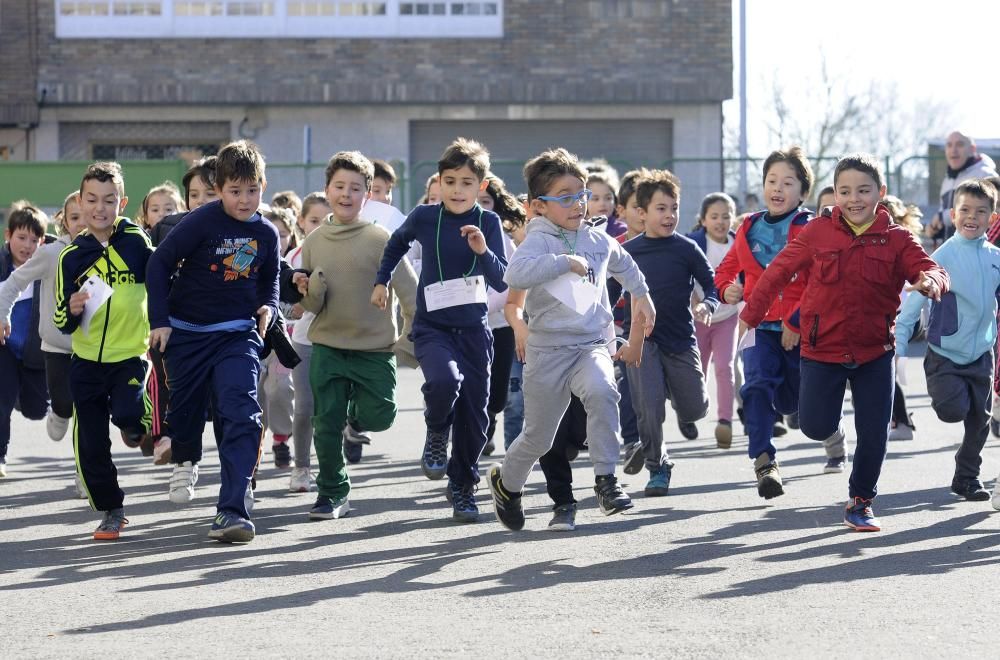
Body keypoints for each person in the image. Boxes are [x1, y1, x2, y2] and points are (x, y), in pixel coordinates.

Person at [741, 153, 948, 531]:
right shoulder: (817, 233)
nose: (854, 199)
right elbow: (777, 273)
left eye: (864, 190)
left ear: (880, 193)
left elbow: (930, 267)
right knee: (815, 426)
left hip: (875, 351)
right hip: (823, 350)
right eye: (845, 191)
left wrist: (931, 281)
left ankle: (860, 501)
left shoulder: (897, 239)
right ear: (834, 194)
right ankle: (831, 429)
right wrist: (749, 318)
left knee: (874, 431)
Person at [486, 147, 655, 531]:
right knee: (539, 437)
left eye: (581, 195)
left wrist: (642, 296)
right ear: (539, 206)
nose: (578, 204)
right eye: (566, 197)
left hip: (590, 344)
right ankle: (507, 484)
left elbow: (625, 264)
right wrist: (563, 262)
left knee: (602, 390)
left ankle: (606, 480)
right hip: (547, 353)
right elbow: (516, 275)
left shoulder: (596, 239)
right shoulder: (537, 241)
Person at [146, 140, 280, 544]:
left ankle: (232, 508)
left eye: (252, 190)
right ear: (219, 189)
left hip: (237, 335)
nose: (244, 200)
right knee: (185, 415)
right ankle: (185, 457)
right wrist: (161, 320)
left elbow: (270, 277)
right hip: (187, 334)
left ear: (263, 186)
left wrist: (269, 307)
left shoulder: (266, 232)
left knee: (242, 411)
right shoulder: (201, 222)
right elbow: (158, 263)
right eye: (235, 191)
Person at [375, 137, 507, 522]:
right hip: (432, 326)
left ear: (481, 186)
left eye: (467, 182)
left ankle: (463, 487)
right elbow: (394, 245)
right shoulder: (424, 217)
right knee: (444, 383)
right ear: (439, 182)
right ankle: (436, 432)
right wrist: (382, 281)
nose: (457, 189)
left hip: (474, 331)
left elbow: (502, 281)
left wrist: (483, 251)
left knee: (475, 416)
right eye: (450, 181)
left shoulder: (489, 222)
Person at [298, 150, 417, 519]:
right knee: (325, 423)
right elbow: (309, 304)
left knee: (381, 415)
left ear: (368, 195)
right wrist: (307, 289)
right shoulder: (314, 241)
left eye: (355, 188)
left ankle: (356, 419)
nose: (346, 194)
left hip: (375, 349)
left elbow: (411, 293)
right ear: (327, 189)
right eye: (339, 186)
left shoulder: (382, 239)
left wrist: (408, 341)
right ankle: (332, 493)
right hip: (328, 346)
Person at [54, 162, 154, 540]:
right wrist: (73, 309)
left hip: (128, 355)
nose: (100, 208)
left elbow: (160, 279)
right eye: (92, 200)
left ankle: (138, 423)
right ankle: (112, 509)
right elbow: (61, 317)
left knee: (128, 413)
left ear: (122, 202)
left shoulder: (136, 243)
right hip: (85, 363)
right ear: (79, 203)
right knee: (90, 442)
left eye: (109, 200)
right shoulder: (71, 257)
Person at [714, 147, 817, 499]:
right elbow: (727, 269)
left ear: (803, 192)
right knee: (756, 386)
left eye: (788, 182)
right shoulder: (749, 226)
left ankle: (803, 416)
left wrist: (797, 320)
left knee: (793, 402)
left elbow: (820, 282)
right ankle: (764, 461)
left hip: (798, 331)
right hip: (758, 328)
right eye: (772, 180)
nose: (778, 188)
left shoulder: (811, 228)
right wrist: (728, 288)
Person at [895, 180, 999, 503]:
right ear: (954, 214)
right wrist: (899, 342)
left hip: (983, 353)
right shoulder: (943, 256)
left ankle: (967, 477)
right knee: (953, 410)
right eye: (966, 210)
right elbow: (914, 303)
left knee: (980, 423)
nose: (973, 217)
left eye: (981, 212)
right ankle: (949, 398)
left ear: (992, 218)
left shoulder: (996, 257)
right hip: (945, 355)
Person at [616, 169, 715, 496]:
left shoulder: (686, 249)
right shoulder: (629, 252)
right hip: (641, 340)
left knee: (695, 408)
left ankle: (680, 400)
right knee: (648, 406)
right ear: (642, 214)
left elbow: (710, 285)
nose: (670, 215)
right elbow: (603, 290)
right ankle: (658, 466)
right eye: (661, 208)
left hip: (680, 340)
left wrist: (707, 306)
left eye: (674, 207)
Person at [285, 192, 332, 492]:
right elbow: (284, 306)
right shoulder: (293, 258)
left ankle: (331, 468)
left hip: (339, 339)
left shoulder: (341, 252)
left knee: (332, 409)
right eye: (313, 220)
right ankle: (301, 467)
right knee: (304, 406)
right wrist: (298, 306)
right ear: (301, 222)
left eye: (325, 220)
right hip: (303, 341)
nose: (319, 226)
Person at [0, 201, 48, 477]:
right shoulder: (1, 264)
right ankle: (0, 456)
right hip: (4, 347)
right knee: (1, 404)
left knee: (35, 410)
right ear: (8, 236)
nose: (27, 245)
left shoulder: (44, 268)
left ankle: (19, 393)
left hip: (33, 351)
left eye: (34, 240)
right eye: (21, 237)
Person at [688, 192, 739, 448]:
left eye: (726, 216)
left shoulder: (738, 243)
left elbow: (748, 276)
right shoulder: (694, 243)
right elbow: (685, 275)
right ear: (704, 220)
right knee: (698, 369)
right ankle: (690, 412)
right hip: (698, 317)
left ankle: (725, 421)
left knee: (725, 367)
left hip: (727, 317)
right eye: (715, 216)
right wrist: (695, 301)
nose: (721, 221)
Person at [258, 207, 298, 469]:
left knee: (281, 389)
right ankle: (255, 445)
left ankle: (281, 438)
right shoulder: (254, 260)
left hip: (283, 345)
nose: (278, 239)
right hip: (257, 340)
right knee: (256, 397)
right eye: (273, 233)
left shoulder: (293, 267)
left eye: (283, 234)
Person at [927, 131, 997, 246]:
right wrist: (935, 229)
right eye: (949, 145)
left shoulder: (986, 175)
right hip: (953, 254)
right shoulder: (947, 180)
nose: (953, 150)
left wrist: (943, 217)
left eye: (959, 145)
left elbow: (990, 217)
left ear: (972, 149)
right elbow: (944, 215)